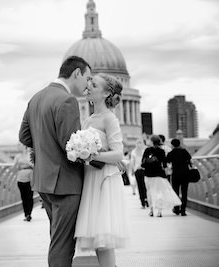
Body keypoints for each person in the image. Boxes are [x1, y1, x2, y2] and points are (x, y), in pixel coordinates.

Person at [19, 56, 91, 267]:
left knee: (58, 238)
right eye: (87, 78)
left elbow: (24, 137)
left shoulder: (37, 98)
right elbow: (72, 145)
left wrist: (44, 149)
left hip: (44, 181)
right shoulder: (67, 100)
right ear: (76, 73)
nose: (88, 85)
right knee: (63, 244)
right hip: (65, 184)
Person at [74, 73, 129, 267]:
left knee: (104, 238)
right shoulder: (89, 120)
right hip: (91, 178)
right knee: (98, 239)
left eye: (94, 85)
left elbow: (118, 154)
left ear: (106, 93)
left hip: (103, 180)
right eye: (89, 83)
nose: (88, 87)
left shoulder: (109, 119)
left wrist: (89, 155)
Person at [142, 135, 181, 217]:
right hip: (159, 174)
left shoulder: (147, 150)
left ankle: (151, 210)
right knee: (159, 193)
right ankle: (159, 211)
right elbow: (164, 163)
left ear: (152, 142)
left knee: (150, 192)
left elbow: (143, 163)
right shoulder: (161, 151)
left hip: (148, 174)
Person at [166, 138, 192, 216]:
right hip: (185, 174)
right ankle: (183, 210)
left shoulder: (171, 153)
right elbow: (190, 160)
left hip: (176, 175)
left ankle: (177, 209)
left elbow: (167, 162)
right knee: (184, 192)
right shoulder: (184, 151)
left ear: (172, 145)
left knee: (176, 192)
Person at [13, 144, 34, 221]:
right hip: (20, 177)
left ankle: (29, 213)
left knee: (29, 196)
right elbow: (14, 167)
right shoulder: (17, 156)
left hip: (30, 177)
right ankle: (26, 214)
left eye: (19, 145)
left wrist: (27, 162)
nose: (18, 146)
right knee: (23, 197)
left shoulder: (30, 155)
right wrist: (17, 163)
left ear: (24, 146)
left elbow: (34, 165)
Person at [129, 137, 148, 208]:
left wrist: (132, 170)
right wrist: (132, 170)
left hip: (142, 170)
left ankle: (144, 200)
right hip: (139, 170)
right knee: (142, 186)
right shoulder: (135, 152)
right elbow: (132, 162)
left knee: (142, 186)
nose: (139, 144)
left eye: (140, 143)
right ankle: (143, 201)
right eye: (138, 143)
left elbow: (132, 162)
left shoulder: (141, 151)